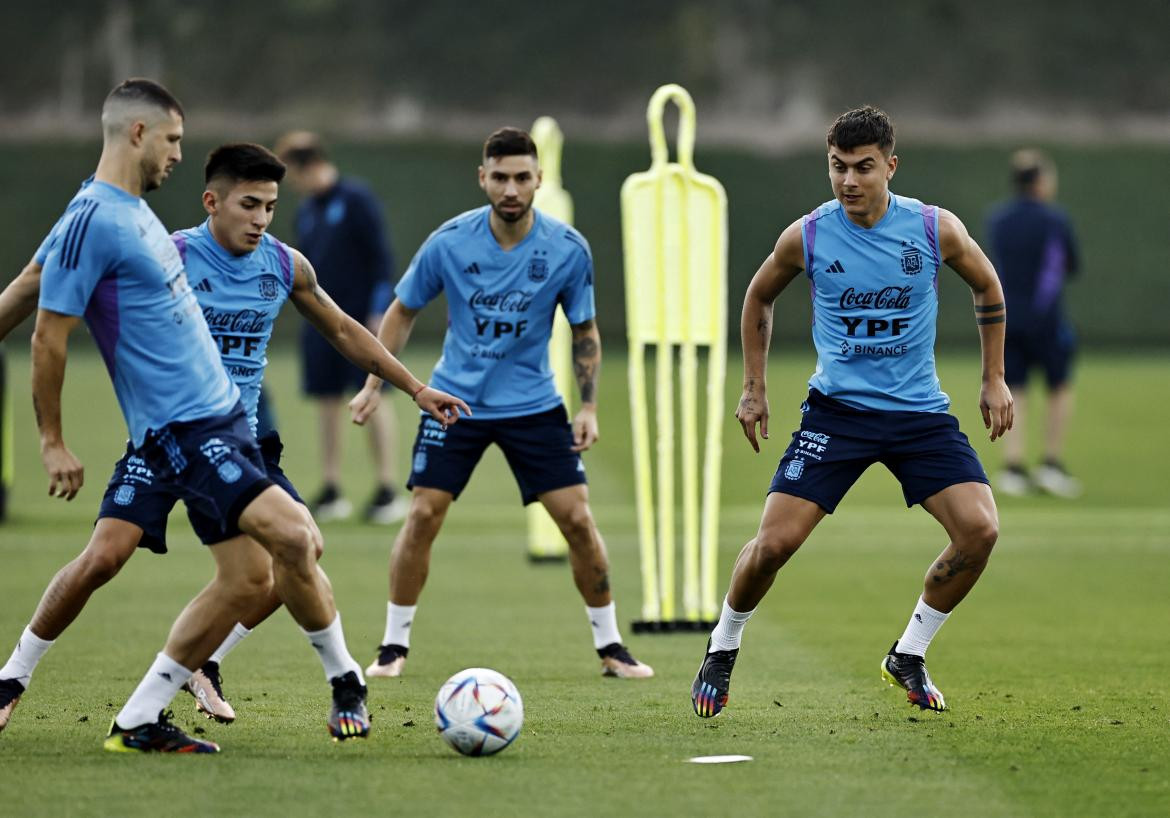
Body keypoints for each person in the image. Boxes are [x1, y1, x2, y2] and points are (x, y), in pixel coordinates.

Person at [0, 80, 461, 753]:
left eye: (273, 206)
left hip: (228, 434)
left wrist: (412, 386)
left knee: (268, 567)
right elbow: (42, 313)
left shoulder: (200, 238)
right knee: (123, 555)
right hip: (178, 433)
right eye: (173, 140)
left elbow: (340, 326)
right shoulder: (130, 229)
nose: (263, 218)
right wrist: (51, 439)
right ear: (139, 136)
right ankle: (344, 681)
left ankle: (164, 695)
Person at [690, 106, 1012, 718]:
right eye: (838, 167)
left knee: (980, 531)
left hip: (919, 415)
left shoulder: (932, 228)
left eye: (864, 168)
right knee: (774, 545)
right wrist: (753, 387)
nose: (848, 181)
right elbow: (759, 295)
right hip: (836, 415)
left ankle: (909, 653)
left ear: (891, 165)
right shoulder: (807, 235)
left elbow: (987, 286)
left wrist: (993, 377)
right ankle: (723, 644)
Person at [348, 127, 653, 681]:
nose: (511, 188)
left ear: (538, 180)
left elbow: (584, 331)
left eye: (522, 177)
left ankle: (611, 647)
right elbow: (401, 310)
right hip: (453, 403)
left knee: (578, 521)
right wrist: (374, 386)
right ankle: (393, 647)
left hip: (534, 406)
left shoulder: (566, 249)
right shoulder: (449, 242)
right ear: (482, 178)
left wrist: (587, 407)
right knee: (421, 515)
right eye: (501, 177)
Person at [274, 132, 404, 523]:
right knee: (326, 400)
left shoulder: (356, 199)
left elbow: (382, 259)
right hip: (319, 322)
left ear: (309, 165)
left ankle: (387, 489)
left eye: (293, 175)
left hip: (361, 321)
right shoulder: (307, 210)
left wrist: (379, 311)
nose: (292, 186)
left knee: (372, 396)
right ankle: (332, 488)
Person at [987, 150, 1081, 498]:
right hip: (1048, 321)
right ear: (1040, 181)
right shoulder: (1054, 220)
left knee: (1014, 389)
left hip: (1007, 320)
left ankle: (1013, 467)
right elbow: (1067, 265)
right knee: (1059, 387)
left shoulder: (998, 220)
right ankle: (1050, 465)